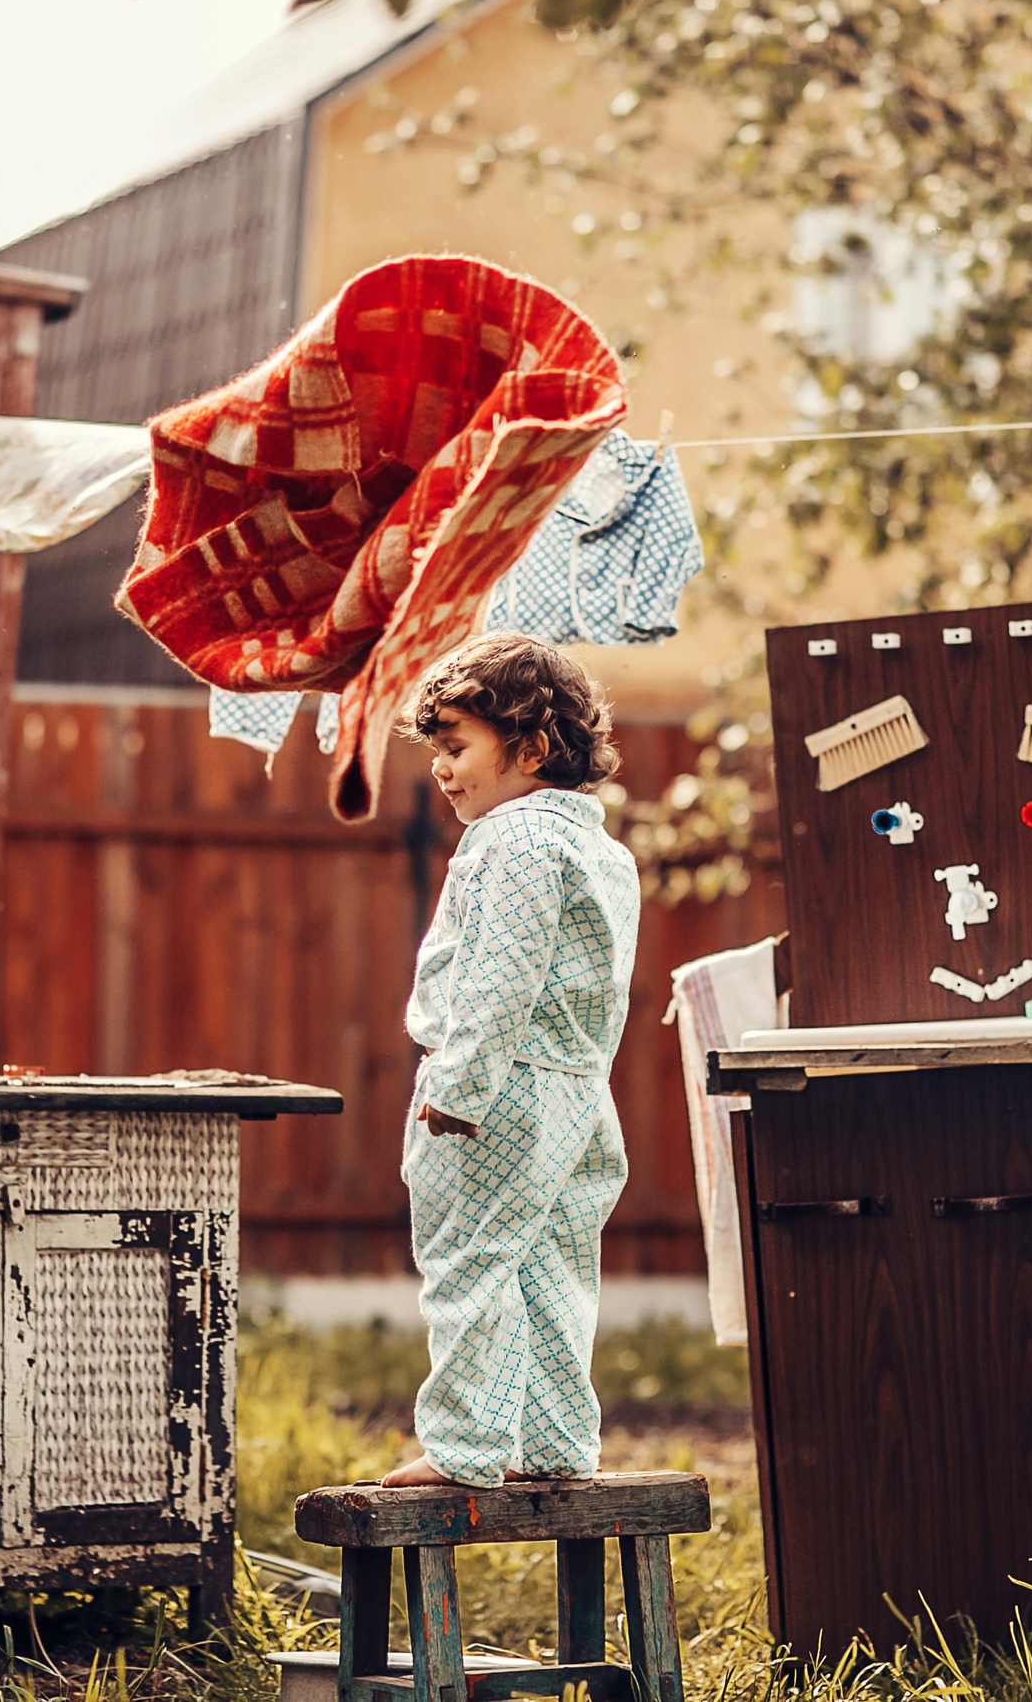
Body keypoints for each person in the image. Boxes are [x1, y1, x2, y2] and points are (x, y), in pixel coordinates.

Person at [380, 631, 640, 1489]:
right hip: (578, 1095)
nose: (441, 769)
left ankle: (465, 1448)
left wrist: (458, 1087)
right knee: (553, 1269)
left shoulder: (511, 841)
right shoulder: (604, 852)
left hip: (500, 1093)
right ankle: (556, 1444)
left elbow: (500, 979)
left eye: (457, 747)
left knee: (471, 1263)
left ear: (530, 748)